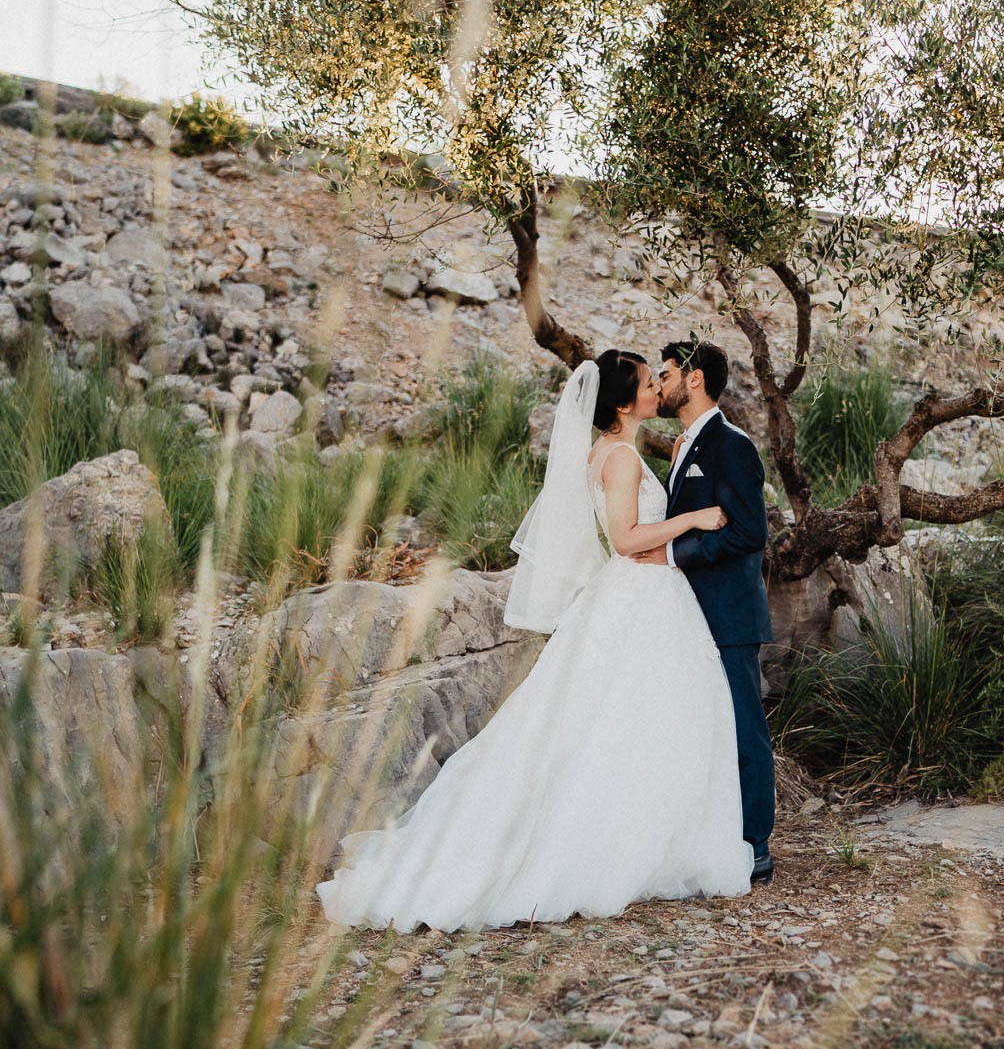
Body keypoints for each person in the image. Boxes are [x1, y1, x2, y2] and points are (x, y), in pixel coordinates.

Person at [316, 352, 753, 932]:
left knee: (631, 721)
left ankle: (652, 832)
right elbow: (624, 539)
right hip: (639, 590)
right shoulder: (620, 458)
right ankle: (617, 844)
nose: (657, 390)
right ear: (624, 404)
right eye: (650, 383)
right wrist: (692, 522)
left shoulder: (618, 451)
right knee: (634, 720)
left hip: (644, 596)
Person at [656, 341, 776, 884]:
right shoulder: (683, 447)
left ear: (695, 379)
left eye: (665, 374)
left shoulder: (732, 446)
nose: (659, 385)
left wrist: (678, 555)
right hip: (685, 619)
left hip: (727, 616)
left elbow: (751, 532)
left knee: (743, 729)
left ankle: (756, 846)